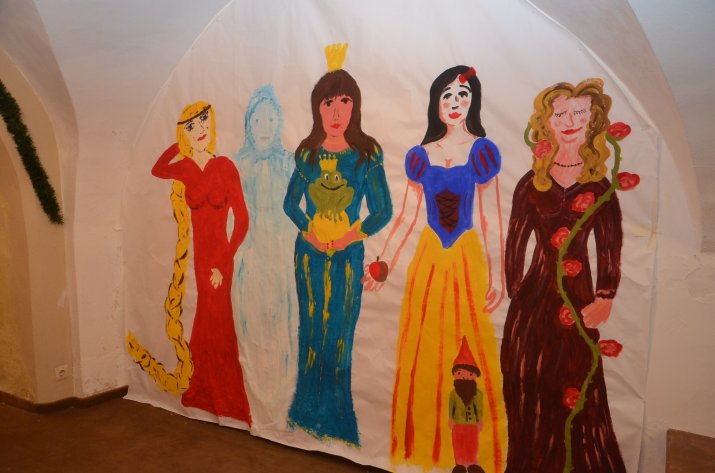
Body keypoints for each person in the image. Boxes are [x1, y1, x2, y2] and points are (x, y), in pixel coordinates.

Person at [364, 65, 507, 472]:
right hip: (429, 260)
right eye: (447, 95)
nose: (455, 102)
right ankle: (426, 451)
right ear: (436, 104)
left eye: (463, 94)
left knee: (469, 349)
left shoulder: (481, 152)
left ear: (473, 101)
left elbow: (491, 217)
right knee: (425, 350)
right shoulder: (421, 156)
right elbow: (408, 216)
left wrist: (497, 276)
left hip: (466, 258)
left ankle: (470, 456)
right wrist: (384, 261)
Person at [502, 78, 626, 472]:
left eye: (579, 114)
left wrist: (605, 296)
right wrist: (515, 292)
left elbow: (609, 244)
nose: (570, 122)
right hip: (534, 300)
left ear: (593, 122)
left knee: (575, 384)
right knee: (528, 382)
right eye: (560, 115)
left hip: (579, 297)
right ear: (546, 124)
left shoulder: (600, 186)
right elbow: (515, 243)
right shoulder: (530, 183)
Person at [283, 44, 392, 446]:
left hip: (348, 255)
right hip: (309, 255)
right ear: (318, 108)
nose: (335, 111)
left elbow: (382, 210)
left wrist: (350, 235)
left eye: (344, 101)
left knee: (340, 334)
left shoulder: (366, 153)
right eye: (328, 102)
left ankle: (337, 419)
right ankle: (305, 411)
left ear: (354, 107)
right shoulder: (307, 153)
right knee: (312, 329)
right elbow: (289, 204)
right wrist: (309, 231)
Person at [151, 101, 252, 425]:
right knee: (206, 322)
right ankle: (203, 393)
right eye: (191, 126)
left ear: (213, 123)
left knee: (218, 324)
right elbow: (157, 169)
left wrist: (223, 264)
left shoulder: (225, 166)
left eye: (204, 121)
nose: (200, 130)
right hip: (200, 259)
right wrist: (178, 143)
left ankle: (228, 401)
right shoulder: (184, 168)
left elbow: (242, 220)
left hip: (221, 259)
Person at [231, 86, 297, 427]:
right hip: (252, 255)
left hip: (283, 254)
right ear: (248, 123)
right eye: (257, 119)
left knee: (283, 326)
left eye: (270, 119)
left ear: (279, 122)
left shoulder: (289, 162)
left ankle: (283, 406)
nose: (264, 126)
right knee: (252, 325)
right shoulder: (238, 164)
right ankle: (255, 404)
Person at [449, 337, 485, 473]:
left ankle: (472, 464)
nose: (464, 376)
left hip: (472, 425)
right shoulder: (453, 393)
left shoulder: (478, 394)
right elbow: (451, 407)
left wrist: (480, 420)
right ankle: (459, 465)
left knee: (472, 444)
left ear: (474, 376)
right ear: (455, 375)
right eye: (460, 373)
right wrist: (450, 418)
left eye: (469, 373)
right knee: (458, 443)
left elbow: (479, 408)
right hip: (458, 424)